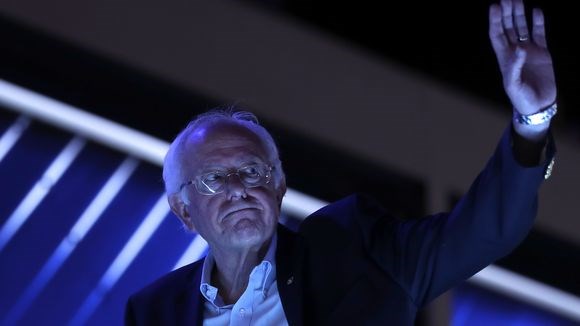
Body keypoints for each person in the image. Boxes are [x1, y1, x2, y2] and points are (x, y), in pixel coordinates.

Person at [125, 0, 557, 324]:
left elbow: (481, 233)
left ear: (278, 185)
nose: (239, 187)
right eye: (215, 179)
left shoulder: (355, 251)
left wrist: (531, 124)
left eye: (253, 171)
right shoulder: (153, 311)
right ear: (183, 210)